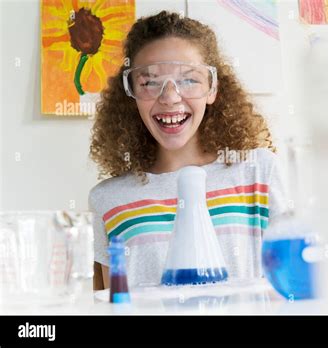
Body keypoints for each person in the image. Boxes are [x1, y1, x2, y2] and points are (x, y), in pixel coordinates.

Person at [89, 11, 287, 290]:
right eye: (150, 82)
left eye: (189, 79)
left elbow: (293, 288)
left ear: (212, 88)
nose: (170, 97)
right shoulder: (108, 199)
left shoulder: (259, 172)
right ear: (132, 93)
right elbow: (111, 304)